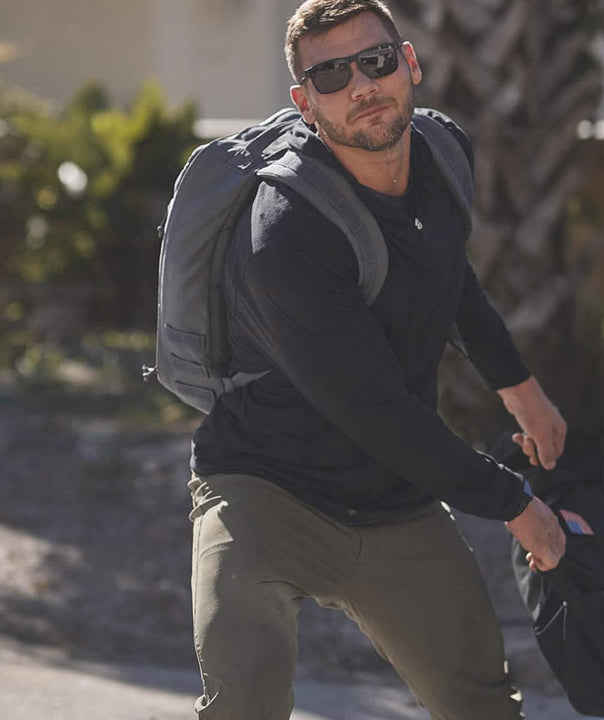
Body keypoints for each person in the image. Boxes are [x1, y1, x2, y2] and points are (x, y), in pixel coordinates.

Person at [187, 1, 567, 717]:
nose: (361, 86)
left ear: (410, 63)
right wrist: (513, 504)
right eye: (330, 76)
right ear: (305, 104)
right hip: (265, 491)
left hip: (392, 500)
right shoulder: (285, 234)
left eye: (376, 61)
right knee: (243, 701)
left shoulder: (444, 155)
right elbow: (378, 411)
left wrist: (520, 387)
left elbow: (447, 274)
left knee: (483, 706)